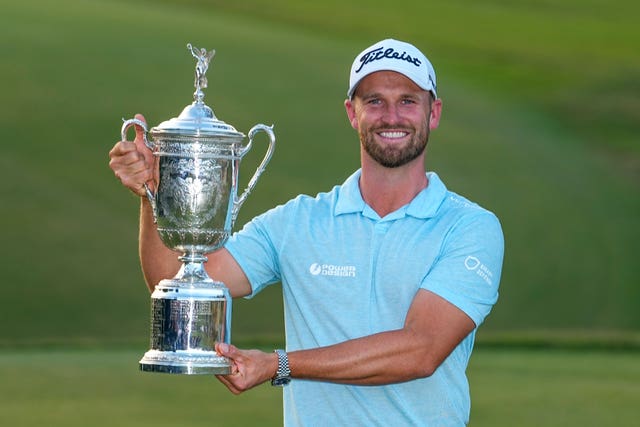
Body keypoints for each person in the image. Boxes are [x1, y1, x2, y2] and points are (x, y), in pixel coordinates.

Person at [109, 38, 504, 426]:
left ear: (433, 113)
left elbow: (420, 350)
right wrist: (156, 194)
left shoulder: (469, 227)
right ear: (352, 113)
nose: (391, 116)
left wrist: (280, 365)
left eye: (407, 101)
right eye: (374, 101)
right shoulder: (297, 222)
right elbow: (174, 281)